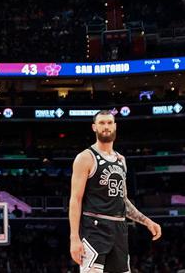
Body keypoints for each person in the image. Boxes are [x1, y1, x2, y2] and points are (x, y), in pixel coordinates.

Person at [69, 111, 161, 273]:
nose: (106, 127)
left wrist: (147, 222)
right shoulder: (85, 158)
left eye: (109, 123)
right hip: (95, 227)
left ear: (115, 126)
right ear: (94, 127)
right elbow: (75, 199)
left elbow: (123, 200)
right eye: (102, 123)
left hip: (119, 228)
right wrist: (74, 237)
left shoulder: (121, 160)